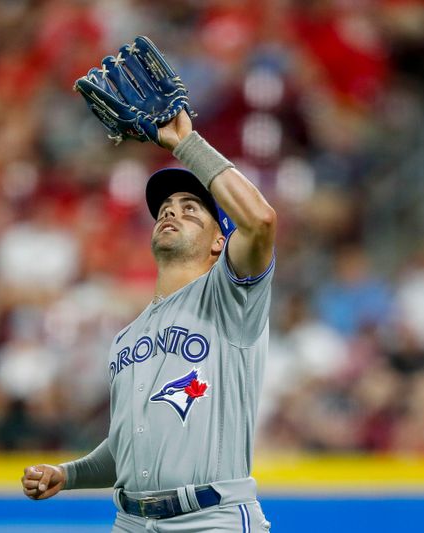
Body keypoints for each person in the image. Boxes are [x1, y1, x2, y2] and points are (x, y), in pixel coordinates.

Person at [21, 63, 276, 532]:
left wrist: (186, 144)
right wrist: (68, 473)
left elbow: (259, 220)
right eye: (165, 208)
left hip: (211, 517)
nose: (172, 212)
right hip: (132, 522)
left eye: (190, 208)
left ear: (221, 240)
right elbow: (125, 450)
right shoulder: (126, 338)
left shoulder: (231, 297)